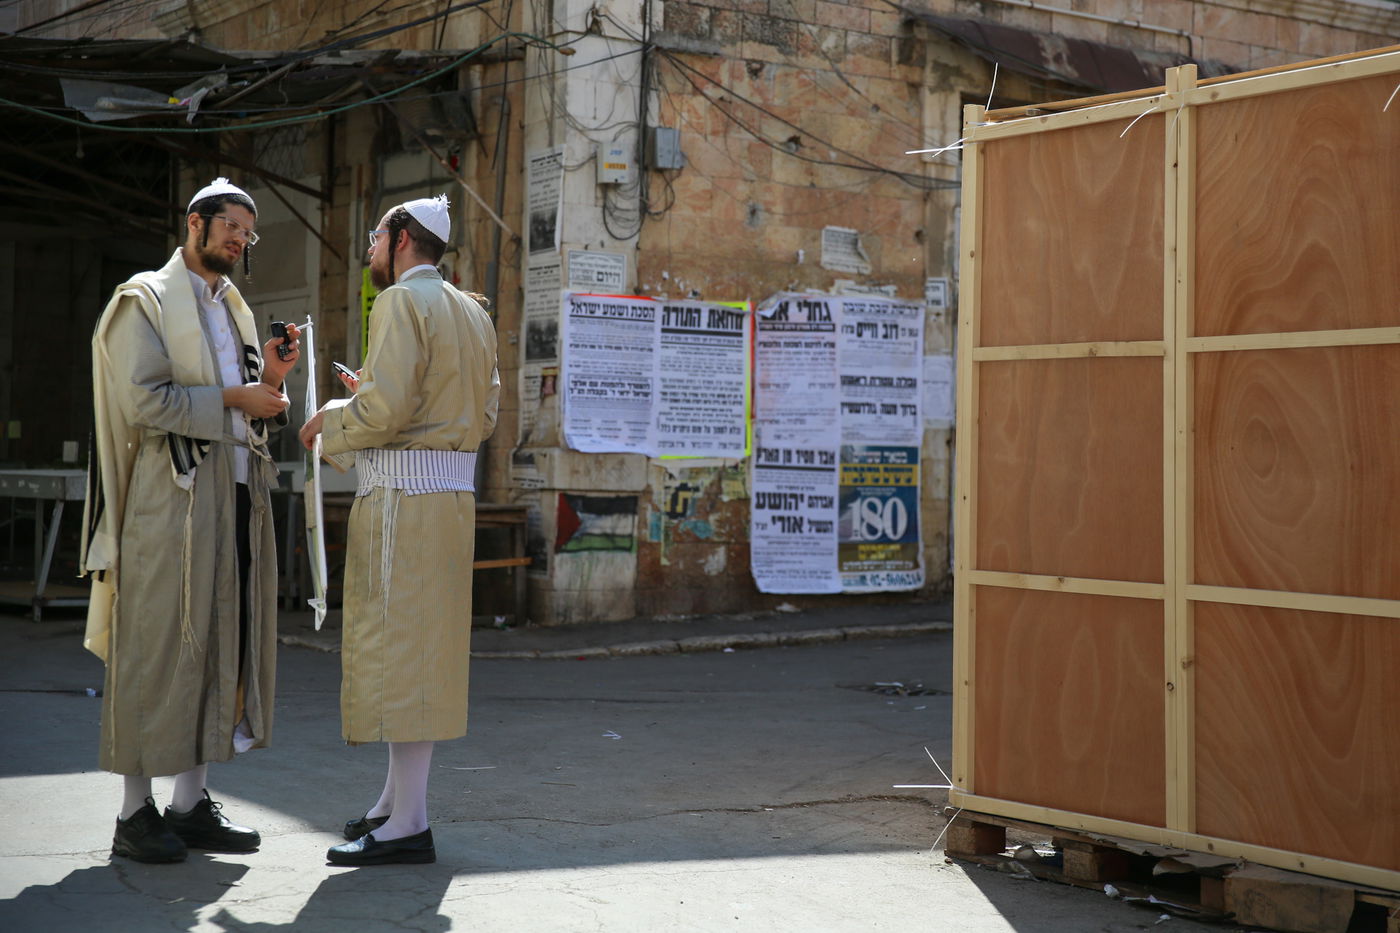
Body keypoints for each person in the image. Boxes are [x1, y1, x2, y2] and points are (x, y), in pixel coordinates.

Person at [81, 177, 300, 863]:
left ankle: (189, 803)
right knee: (154, 647)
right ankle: (132, 812)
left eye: (248, 232)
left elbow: (238, 401)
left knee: (215, 643)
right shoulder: (141, 300)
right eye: (232, 226)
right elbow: (147, 400)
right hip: (165, 503)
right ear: (196, 223)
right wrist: (237, 394)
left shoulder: (232, 307)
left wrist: (273, 378)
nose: (240, 239)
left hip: (230, 497)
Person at [299, 194, 499, 866]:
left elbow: (383, 412)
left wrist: (332, 419)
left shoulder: (398, 304)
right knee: (426, 653)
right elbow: (486, 410)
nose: (368, 248)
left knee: (402, 652)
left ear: (403, 238)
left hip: (405, 505)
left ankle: (409, 821)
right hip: (450, 502)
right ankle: (394, 801)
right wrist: (374, 398)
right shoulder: (473, 311)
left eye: (376, 234)